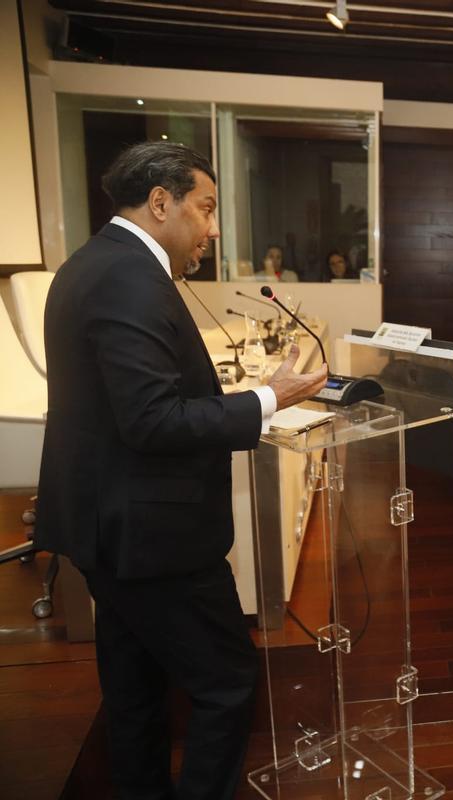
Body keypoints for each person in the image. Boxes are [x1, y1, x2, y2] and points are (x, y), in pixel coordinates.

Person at [32, 142, 328, 800]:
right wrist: (268, 399)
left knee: (136, 691)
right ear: (160, 203)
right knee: (226, 683)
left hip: (109, 529)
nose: (215, 228)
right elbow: (152, 421)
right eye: (206, 208)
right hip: (152, 539)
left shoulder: (93, 265)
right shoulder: (128, 277)